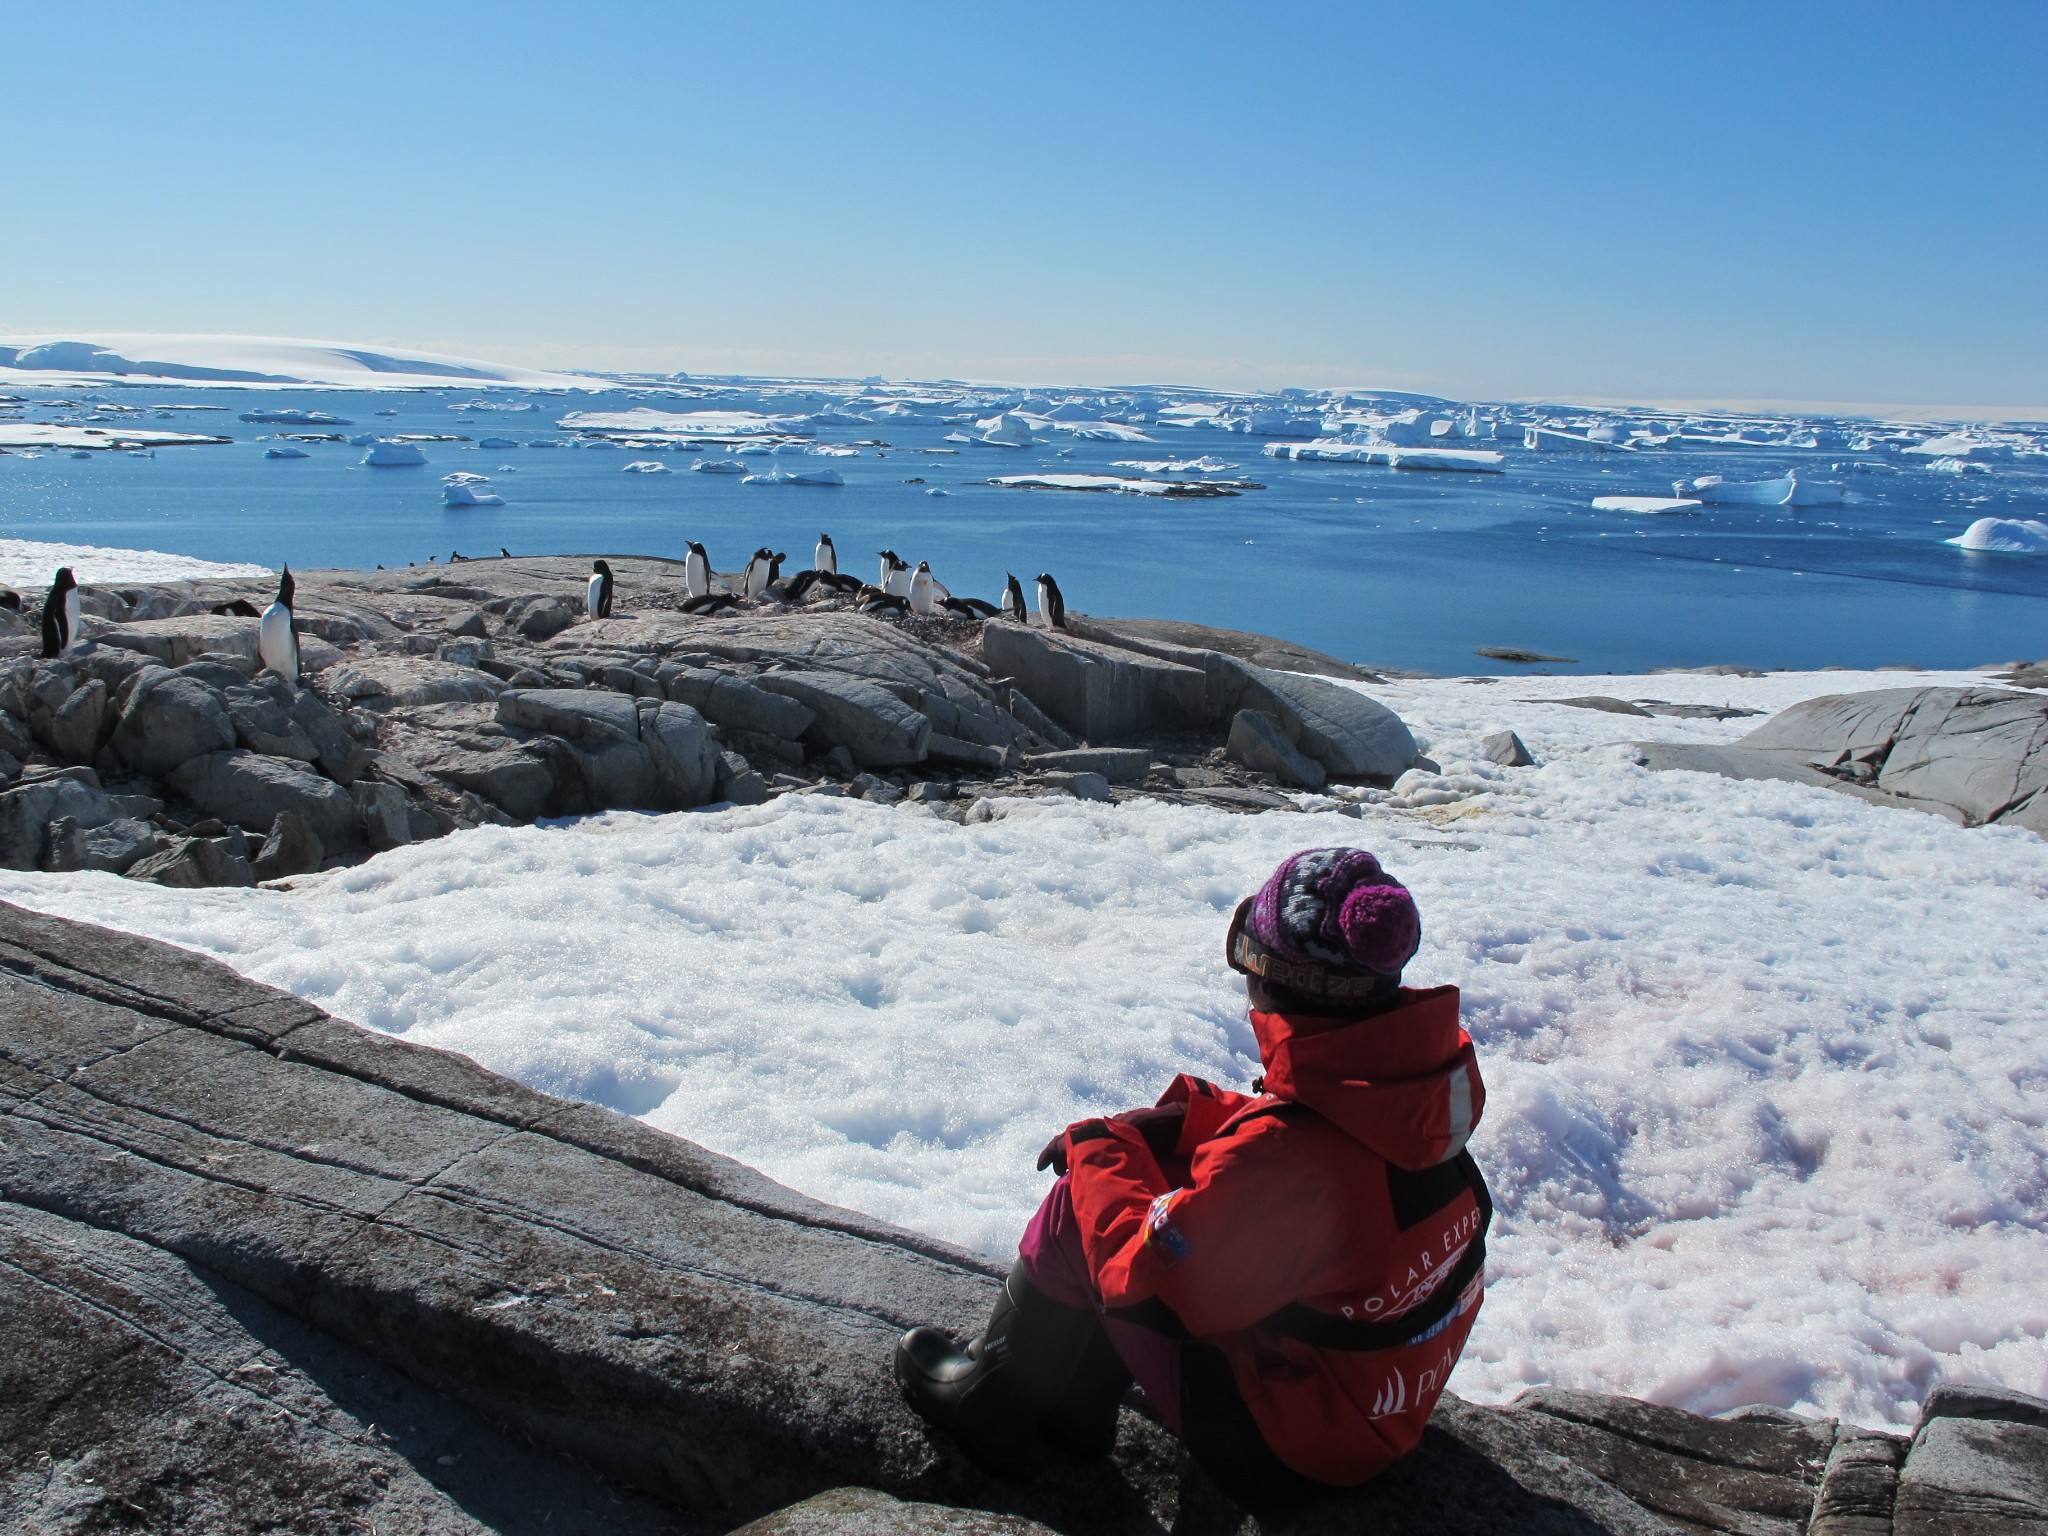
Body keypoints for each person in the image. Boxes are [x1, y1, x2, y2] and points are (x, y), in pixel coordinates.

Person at [894, 848, 1491, 1509]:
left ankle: (989, 1406)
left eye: (1247, 954)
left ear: (1272, 980)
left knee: (1079, 1206)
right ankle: (1074, 1416)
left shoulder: (1278, 1161)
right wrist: (1188, 1124)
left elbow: (1149, 1282)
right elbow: (1333, 1145)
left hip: (1298, 1450)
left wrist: (1097, 1150)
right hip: (1380, 1399)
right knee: (1158, 1177)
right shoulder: (1427, 1092)